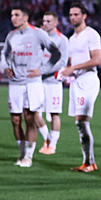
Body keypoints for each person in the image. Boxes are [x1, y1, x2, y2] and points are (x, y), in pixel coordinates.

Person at [0, 5, 59, 167]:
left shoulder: (38, 34)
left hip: (32, 83)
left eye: (16, 15)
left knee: (30, 118)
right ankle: (21, 153)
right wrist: (5, 66)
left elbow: (56, 53)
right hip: (15, 83)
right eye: (11, 15)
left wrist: (42, 70)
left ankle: (28, 156)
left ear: (25, 17)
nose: (13, 18)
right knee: (15, 120)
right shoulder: (11, 36)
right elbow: (4, 54)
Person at [60, 2, 101, 172]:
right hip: (76, 82)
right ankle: (88, 162)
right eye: (71, 14)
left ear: (84, 16)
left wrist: (73, 68)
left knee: (82, 122)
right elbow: (72, 62)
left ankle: (89, 162)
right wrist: (65, 72)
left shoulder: (92, 34)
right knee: (79, 123)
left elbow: (96, 60)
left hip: (89, 80)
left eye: (76, 14)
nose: (73, 17)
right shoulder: (71, 38)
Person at [37, 11, 69, 155]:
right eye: (44, 21)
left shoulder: (62, 40)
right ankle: (47, 139)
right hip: (38, 82)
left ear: (56, 23)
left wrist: (42, 71)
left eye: (49, 21)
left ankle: (52, 145)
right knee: (34, 113)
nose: (45, 23)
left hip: (54, 82)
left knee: (54, 114)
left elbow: (62, 62)